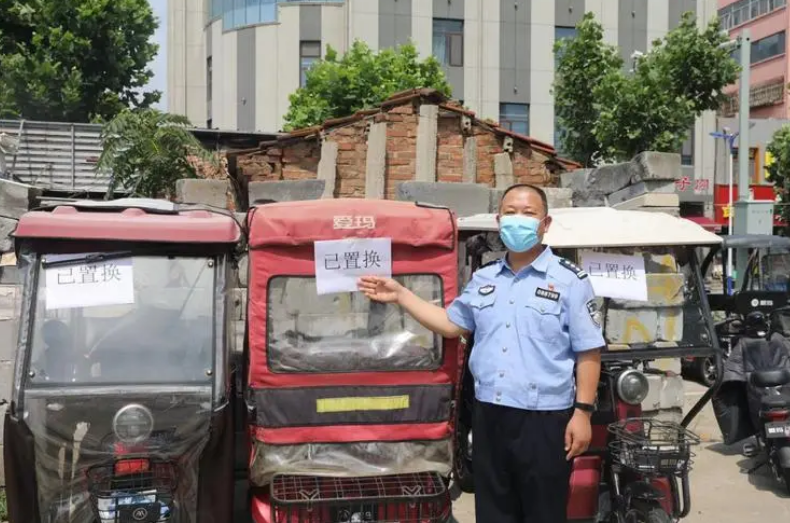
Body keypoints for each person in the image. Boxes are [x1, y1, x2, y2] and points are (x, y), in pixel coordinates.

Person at [358, 184, 604, 523]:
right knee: (493, 511)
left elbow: (588, 350)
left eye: (529, 213)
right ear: (499, 220)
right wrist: (401, 294)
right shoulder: (484, 279)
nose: (519, 220)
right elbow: (450, 324)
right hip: (490, 415)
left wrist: (583, 413)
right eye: (511, 213)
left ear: (545, 224)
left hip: (545, 420)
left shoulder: (570, 280)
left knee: (544, 512)